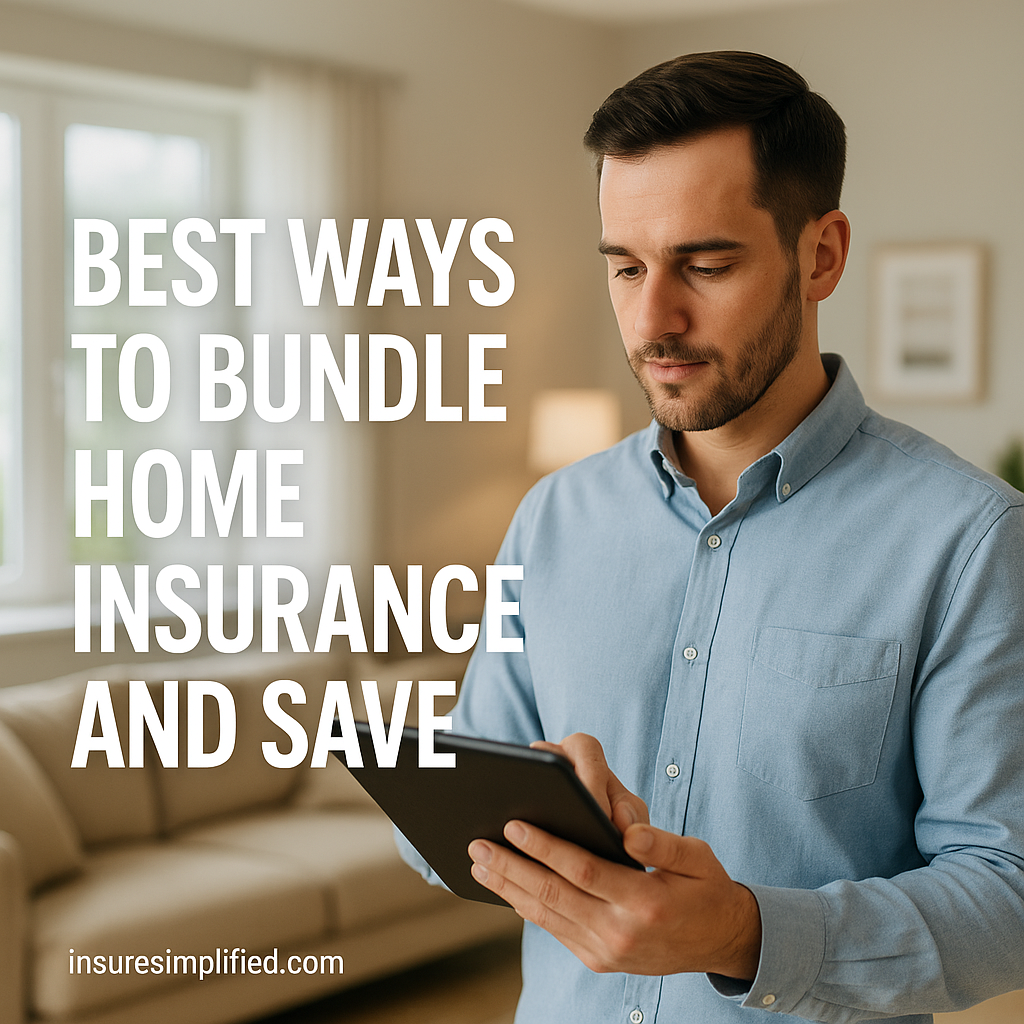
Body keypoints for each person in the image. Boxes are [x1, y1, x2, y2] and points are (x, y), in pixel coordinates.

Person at [399, 51, 1024, 1023]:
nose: (654, 319)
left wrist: (744, 931)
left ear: (820, 254)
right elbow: (444, 817)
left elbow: (1007, 893)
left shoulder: (970, 542)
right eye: (625, 266)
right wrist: (518, 812)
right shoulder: (548, 522)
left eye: (705, 262)